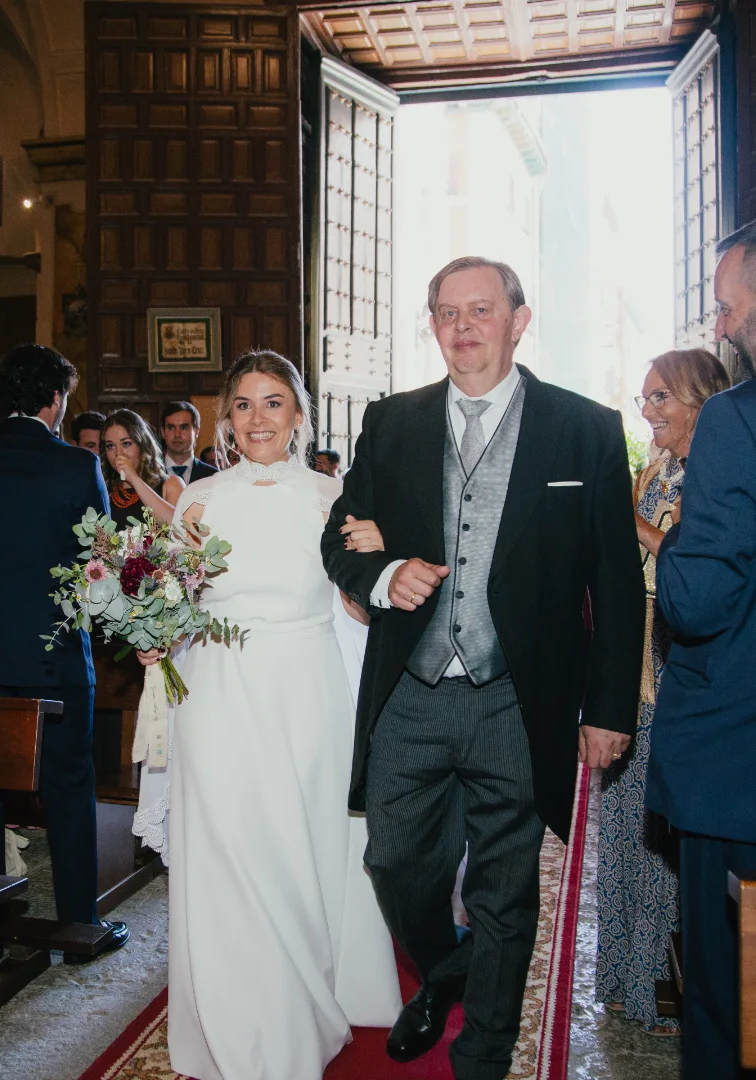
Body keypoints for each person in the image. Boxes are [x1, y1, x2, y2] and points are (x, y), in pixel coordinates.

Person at [319, 257, 640, 1079]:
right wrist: (385, 575)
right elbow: (339, 538)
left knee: (505, 888)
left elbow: (614, 580)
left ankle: (485, 1054)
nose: (463, 328)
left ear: (519, 320)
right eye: (446, 313)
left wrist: (608, 709)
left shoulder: (586, 428)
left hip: (517, 697)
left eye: (482, 310)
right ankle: (450, 966)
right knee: (392, 858)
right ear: (432, 326)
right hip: (411, 691)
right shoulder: (392, 422)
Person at [135, 351, 400, 1080]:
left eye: (274, 403)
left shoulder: (331, 497)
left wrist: (378, 566)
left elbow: (358, 605)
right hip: (220, 692)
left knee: (298, 846)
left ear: (299, 414)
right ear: (227, 419)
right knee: (228, 850)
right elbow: (171, 614)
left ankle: (311, 1000)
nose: (259, 419)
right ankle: (240, 1016)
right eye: (245, 404)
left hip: (309, 689)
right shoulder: (196, 502)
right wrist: (146, 630)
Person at [0, 343, 128, 960]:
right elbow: (99, 556)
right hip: (53, 654)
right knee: (69, 788)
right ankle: (77, 929)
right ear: (55, 398)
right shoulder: (74, 464)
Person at [646, 221, 756, 1080]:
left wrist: (673, 542)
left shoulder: (735, 420)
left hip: (738, 755)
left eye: (729, 307)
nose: (720, 327)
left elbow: (699, 597)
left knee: (726, 994)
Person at [596, 347, 729, 1037]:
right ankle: (619, 977)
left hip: (681, 662)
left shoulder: (717, 476)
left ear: (698, 401)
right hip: (635, 659)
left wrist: (624, 522)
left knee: (662, 834)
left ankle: (661, 984)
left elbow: (684, 558)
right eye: (644, 399)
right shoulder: (655, 470)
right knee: (619, 821)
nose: (647, 411)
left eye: (659, 399)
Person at [100, 409, 183, 523]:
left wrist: (134, 479)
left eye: (126, 443)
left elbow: (179, 527)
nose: (119, 453)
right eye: (110, 446)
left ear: (142, 445)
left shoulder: (170, 485)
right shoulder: (103, 490)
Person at [160, 400, 219, 484]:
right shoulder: (148, 474)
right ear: (163, 432)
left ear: (196, 431)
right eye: (171, 427)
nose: (177, 434)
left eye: (184, 427)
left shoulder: (213, 476)